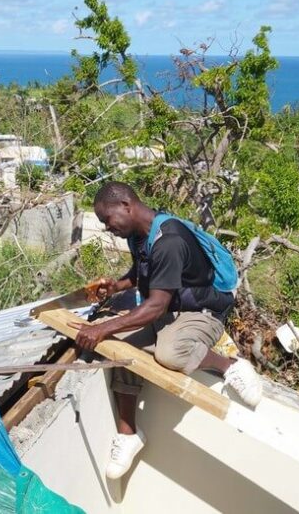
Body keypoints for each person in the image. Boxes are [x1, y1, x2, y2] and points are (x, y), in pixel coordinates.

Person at [71, 181, 262, 480]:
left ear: (126, 205)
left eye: (107, 220)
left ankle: (230, 365)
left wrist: (101, 327)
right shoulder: (140, 236)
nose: (107, 227)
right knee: (118, 344)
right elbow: (143, 272)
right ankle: (129, 433)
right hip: (173, 309)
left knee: (170, 352)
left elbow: (156, 306)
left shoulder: (168, 240)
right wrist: (117, 286)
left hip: (203, 312)